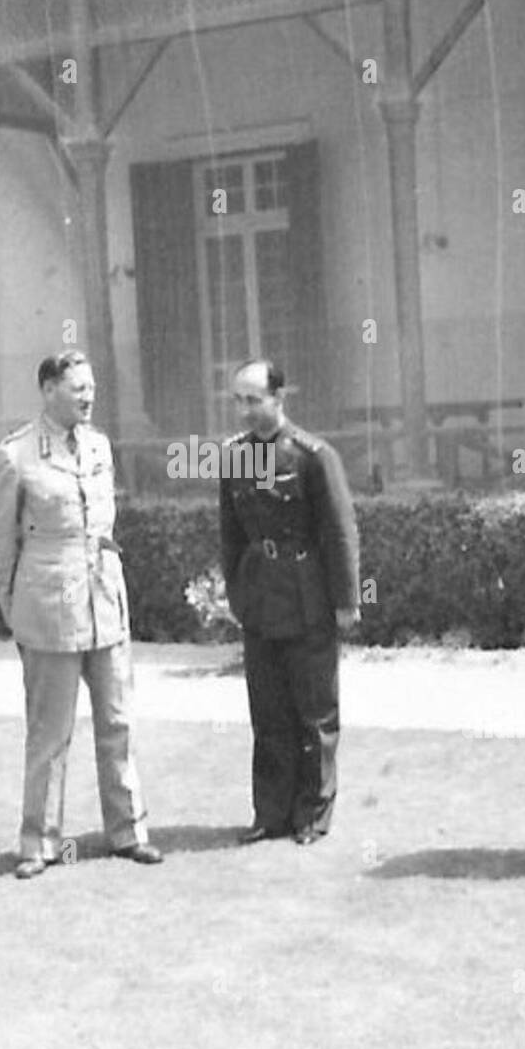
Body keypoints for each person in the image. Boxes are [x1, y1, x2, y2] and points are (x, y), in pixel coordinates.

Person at [0, 350, 161, 879]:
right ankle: (38, 843)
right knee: (50, 732)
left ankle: (128, 830)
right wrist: (16, 610)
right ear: (48, 391)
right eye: (77, 388)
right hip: (48, 607)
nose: (88, 396)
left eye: (91, 387)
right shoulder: (16, 456)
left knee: (119, 721)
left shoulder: (100, 446)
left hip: (105, 601)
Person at [219, 358, 360, 845]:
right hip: (259, 598)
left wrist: (345, 600)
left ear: (279, 399)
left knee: (315, 713)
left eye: (253, 400)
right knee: (268, 713)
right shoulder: (234, 455)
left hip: (306, 597)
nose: (244, 410)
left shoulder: (313, 455)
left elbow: (340, 532)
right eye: (237, 400)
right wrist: (236, 592)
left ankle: (312, 814)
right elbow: (230, 534)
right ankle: (271, 813)